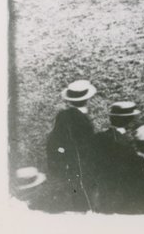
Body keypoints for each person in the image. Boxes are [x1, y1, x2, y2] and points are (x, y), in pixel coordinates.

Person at [45, 79, 98, 211]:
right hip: (82, 166)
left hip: (67, 164)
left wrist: (62, 153)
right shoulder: (82, 120)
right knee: (84, 197)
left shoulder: (62, 115)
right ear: (87, 99)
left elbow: (54, 141)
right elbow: (86, 146)